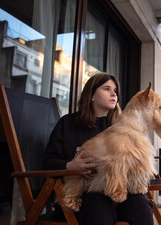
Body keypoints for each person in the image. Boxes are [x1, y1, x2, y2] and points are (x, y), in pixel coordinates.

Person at [44, 72, 154, 225]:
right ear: (92, 95)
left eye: (115, 91)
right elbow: (48, 161)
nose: (113, 93)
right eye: (107, 88)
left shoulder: (122, 128)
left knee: (141, 205)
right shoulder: (67, 124)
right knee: (98, 209)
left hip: (121, 191)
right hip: (84, 192)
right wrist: (70, 166)